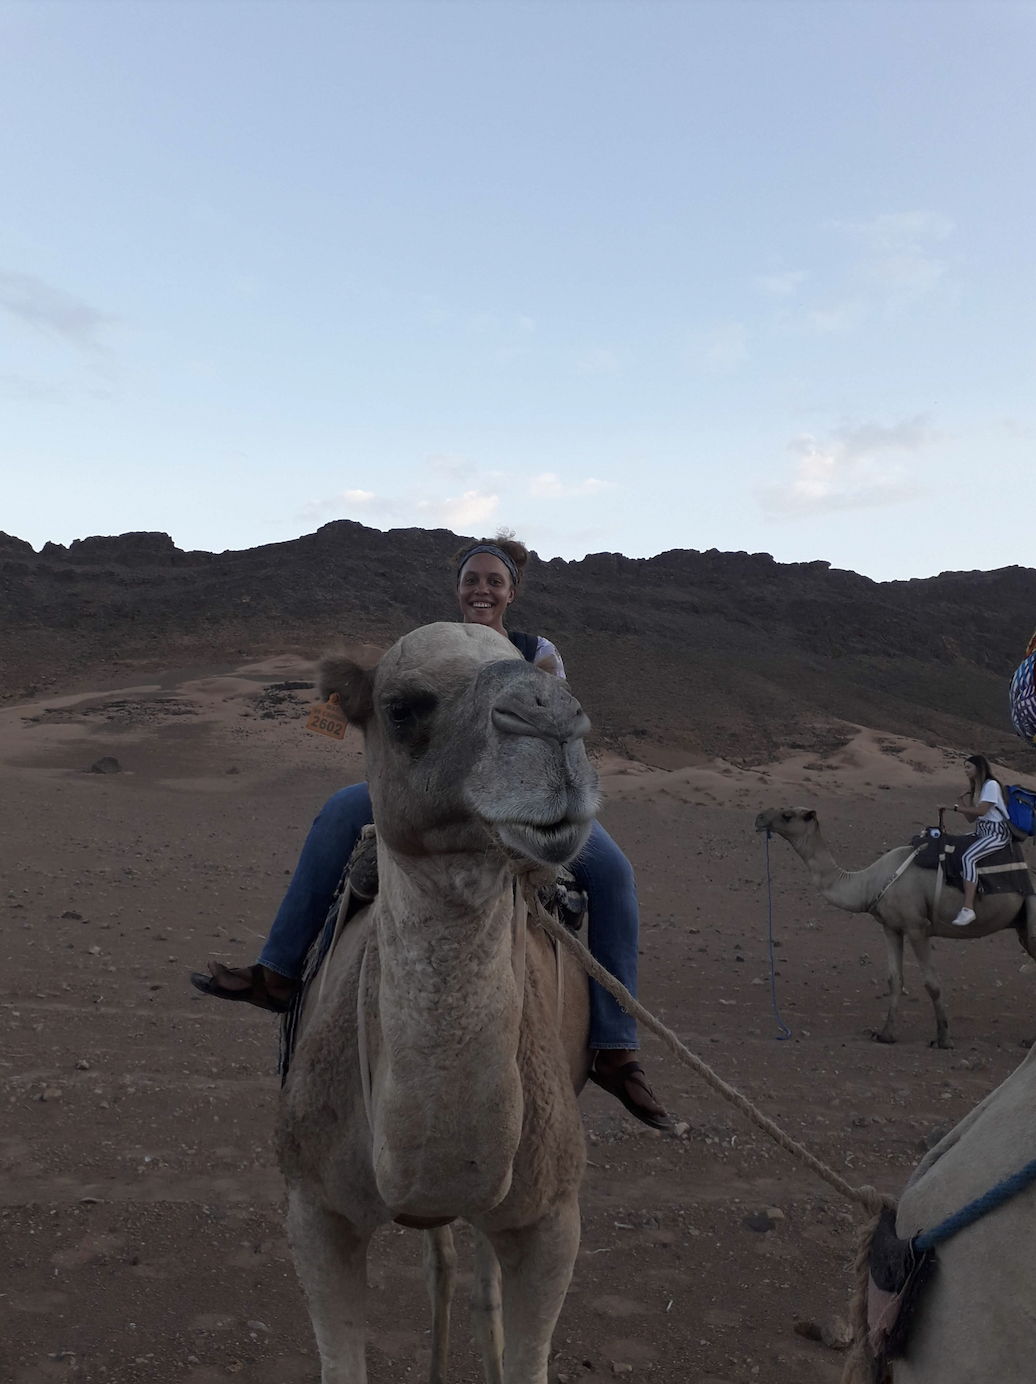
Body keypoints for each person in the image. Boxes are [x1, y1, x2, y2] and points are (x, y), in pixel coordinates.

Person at [192, 535, 672, 1130]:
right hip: (436, 791)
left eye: (495, 581)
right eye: (473, 579)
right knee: (339, 815)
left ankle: (615, 1046)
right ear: (458, 588)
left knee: (614, 873)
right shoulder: (432, 646)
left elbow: (553, 713)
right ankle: (278, 973)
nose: (482, 590)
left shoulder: (537, 651)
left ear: (512, 592)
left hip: (515, 792)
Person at [945, 753, 1012, 927]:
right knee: (953, 844)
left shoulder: (991, 785)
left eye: (968, 767)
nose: (965, 771)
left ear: (979, 768)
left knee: (968, 857)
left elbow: (982, 811)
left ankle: (968, 908)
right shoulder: (979, 789)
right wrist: (961, 799)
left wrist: (954, 808)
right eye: (964, 767)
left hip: (996, 833)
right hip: (982, 831)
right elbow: (971, 819)